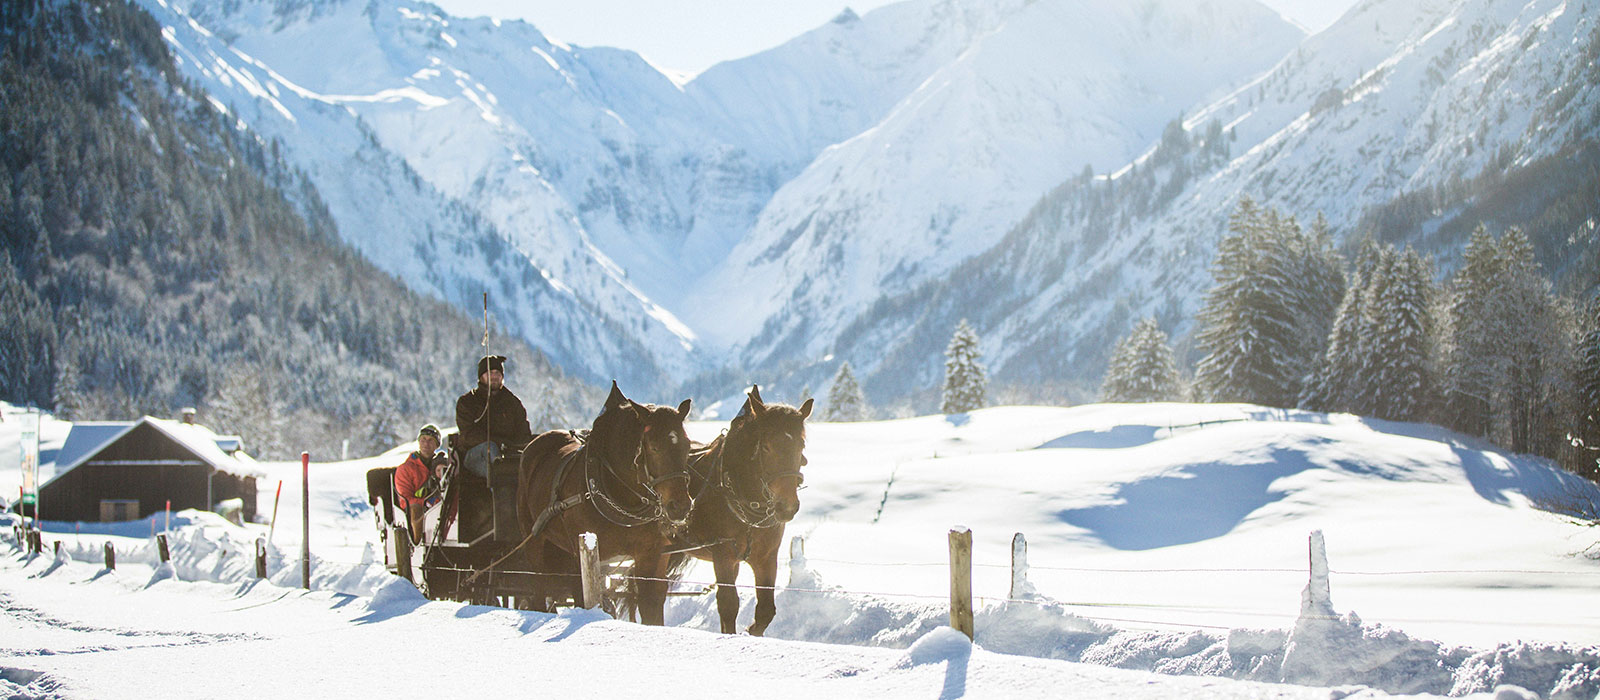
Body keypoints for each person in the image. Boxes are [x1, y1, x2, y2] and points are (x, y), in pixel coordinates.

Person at [455, 354, 535, 480]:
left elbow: (523, 431)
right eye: (490, 372)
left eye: (498, 373)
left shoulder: (512, 402)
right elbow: (468, 435)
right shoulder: (468, 402)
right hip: (475, 455)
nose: (494, 376)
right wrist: (499, 443)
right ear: (481, 377)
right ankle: (500, 494)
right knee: (491, 451)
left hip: (508, 454)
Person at [393, 424, 445, 543]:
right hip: (414, 509)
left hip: (439, 505)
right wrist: (425, 503)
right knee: (416, 509)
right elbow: (405, 499)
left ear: (436, 445)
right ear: (419, 442)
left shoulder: (441, 465)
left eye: (431, 440)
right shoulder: (405, 469)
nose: (426, 444)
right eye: (423, 440)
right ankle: (417, 543)